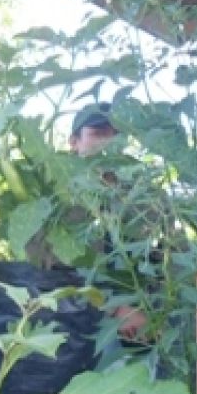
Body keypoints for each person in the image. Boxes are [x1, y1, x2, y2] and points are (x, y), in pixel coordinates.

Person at [67, 102, 148, 340]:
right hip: (72, 324)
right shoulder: (57, 196)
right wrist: (115, 306)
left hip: (140, 327)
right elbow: (48, 267)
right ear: (74, 142)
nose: (110, 143)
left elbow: (166, 254)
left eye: (117, 135)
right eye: (99, 134)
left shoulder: (143, 196)